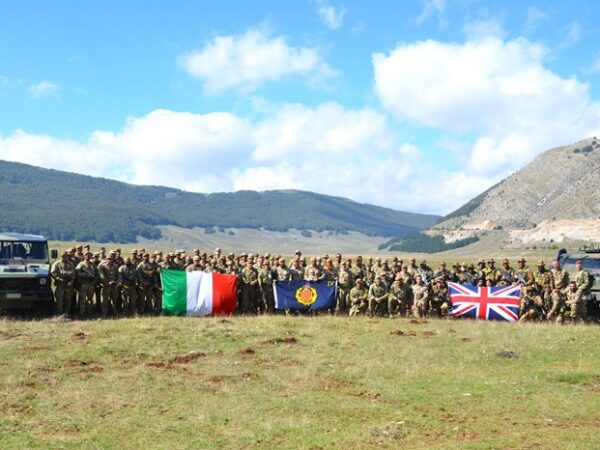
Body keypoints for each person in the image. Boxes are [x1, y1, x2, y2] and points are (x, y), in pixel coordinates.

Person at [51, 251, 76, 316]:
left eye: (66, 256)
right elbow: (53, 273)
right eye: (63, 256)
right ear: (61, 256)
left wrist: (71, 281)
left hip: (68, 285)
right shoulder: (57, 264)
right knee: (60, 300)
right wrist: (58, 278)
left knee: (68, 300)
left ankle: (66, 314)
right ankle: (59, 314)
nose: (64, 257)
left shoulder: (70, 264)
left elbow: (73, 273)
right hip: (60, 285)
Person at [75, 251, 97, 319]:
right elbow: (77, 273)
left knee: (90, 299)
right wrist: (85, 275)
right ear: (84, 256)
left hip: (91, 284)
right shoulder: (81, 264)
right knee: (82, 299)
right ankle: (82, 313)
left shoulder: (92, 264)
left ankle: (89, 313)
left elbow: (96, 273)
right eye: (86, 255)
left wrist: (94, 279)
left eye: (89, 255)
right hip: (83, 284)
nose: (88, 256)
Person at [98, 253, 119, 318]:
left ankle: (114, 314)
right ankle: (104, 314)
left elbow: (118, 275)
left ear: (113, 259)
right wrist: (107, 282)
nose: (109, 260)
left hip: (114, 286)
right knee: (105, 301)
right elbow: (102, 276)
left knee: (114, 300)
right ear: (106, 259)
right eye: (108, 259)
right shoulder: (102, 266)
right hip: (106, 286)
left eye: (111, 259)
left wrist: (117, 282)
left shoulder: (115, 266)